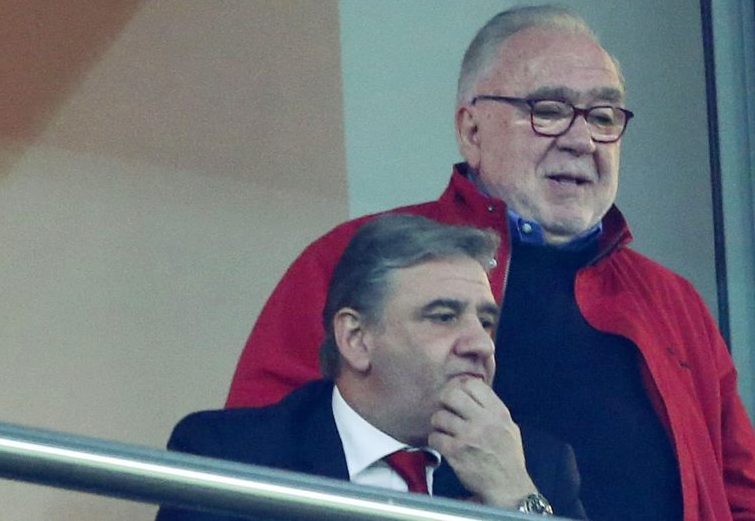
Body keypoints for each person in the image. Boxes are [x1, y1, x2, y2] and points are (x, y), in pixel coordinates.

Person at [226, 5, 755, 520]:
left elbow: (748, 502)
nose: (582, 140)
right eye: (549, 111)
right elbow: (259, 467)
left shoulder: (671, 301)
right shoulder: (362, 259)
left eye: (603, 116)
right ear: (471, 130)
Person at [158, 214, 585, 520]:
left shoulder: (535, 466)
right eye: (443, 317)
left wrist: (514, 498)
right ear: (356, 339)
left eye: (486, 322)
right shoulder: (231, 456)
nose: (480, 344)